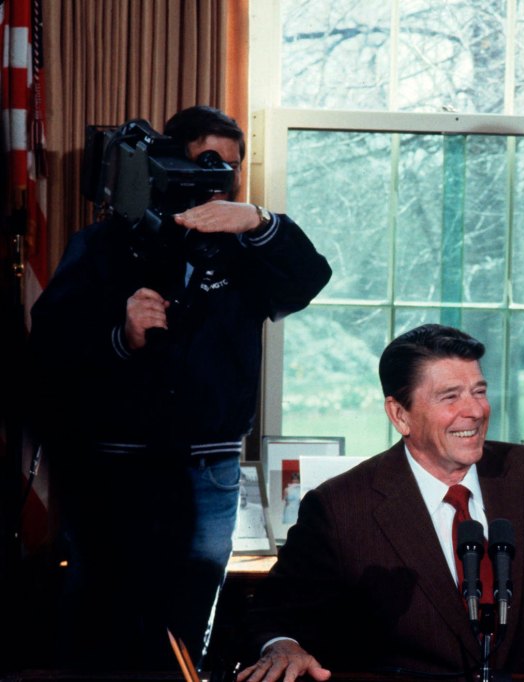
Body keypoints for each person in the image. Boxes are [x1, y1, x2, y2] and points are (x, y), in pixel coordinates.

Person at [28, 105, 331, 669]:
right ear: (167, 163)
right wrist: (120, 336)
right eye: (204, 162)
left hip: (208, 472)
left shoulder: (246, 251)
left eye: (230, 168)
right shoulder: (102, 246)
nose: (216, 179)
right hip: (115, 470)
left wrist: (260, 223)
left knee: (187, 625)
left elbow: (309, 279)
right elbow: (48, 350)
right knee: (102, 621)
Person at [240, 324, 524, 682]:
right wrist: (283, 645)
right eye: (449, 396)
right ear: (399, 414)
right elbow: (277, 613)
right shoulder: (341, 508)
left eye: (478, 390)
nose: (474, 411)